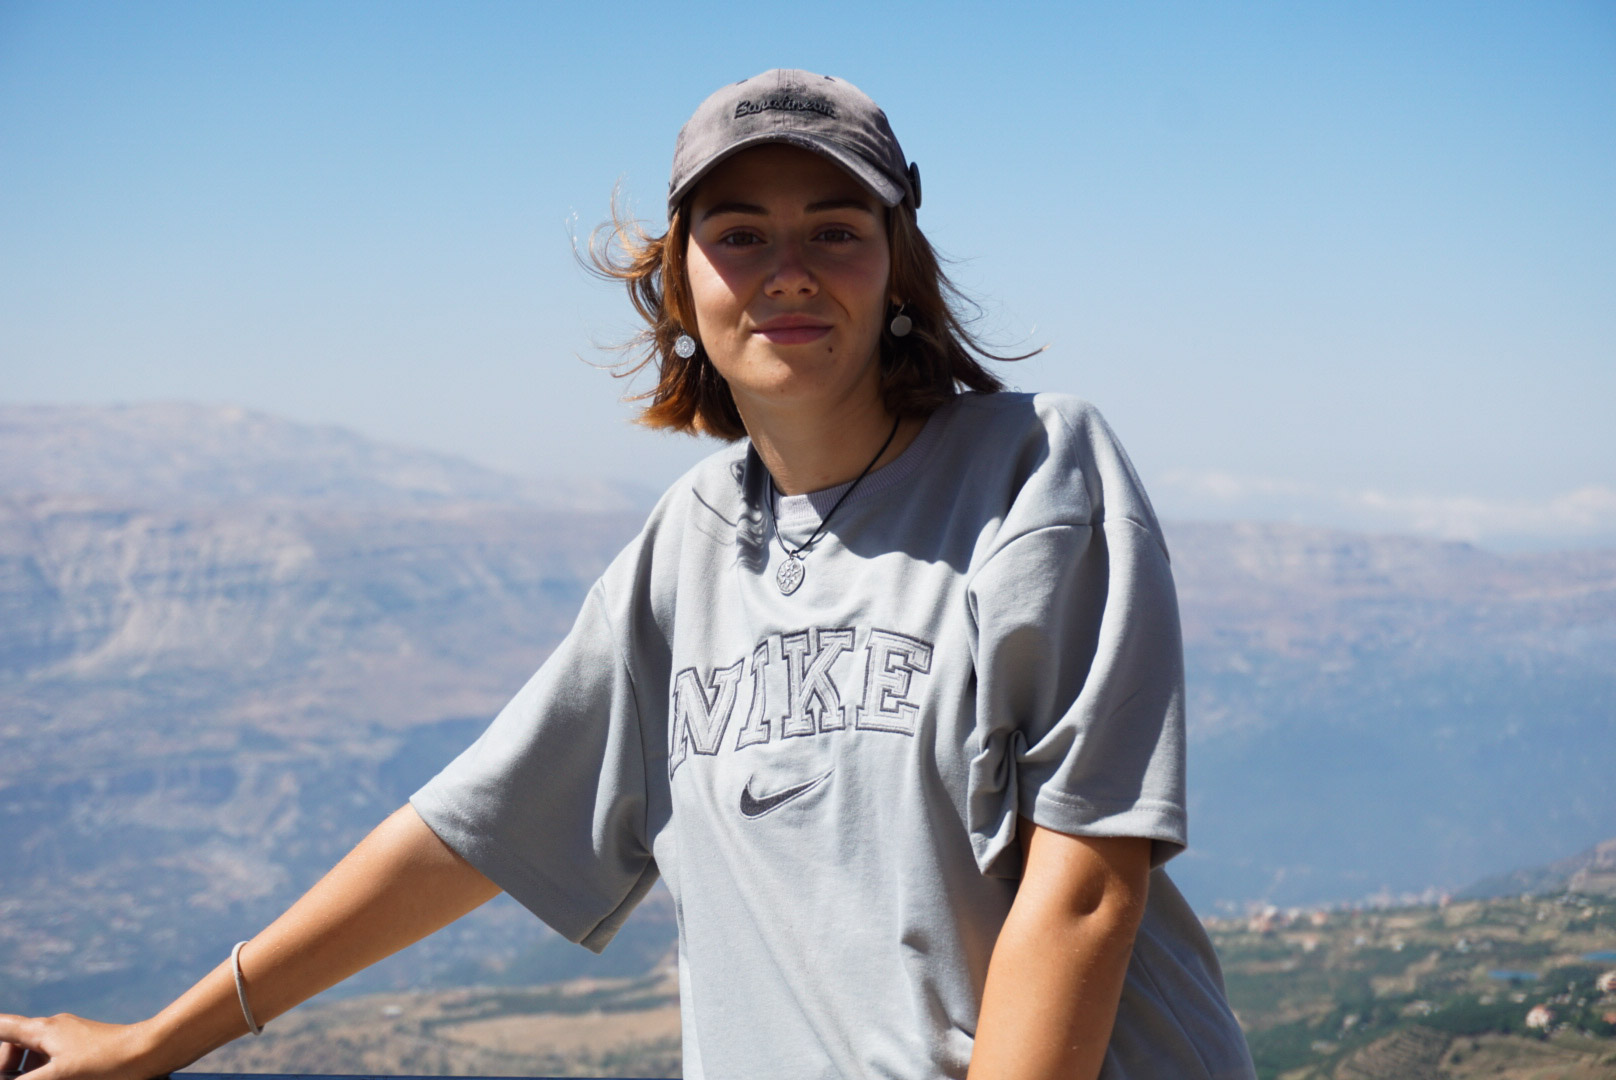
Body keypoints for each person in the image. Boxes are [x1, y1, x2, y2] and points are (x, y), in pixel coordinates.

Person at [0, 69, 1255, 1080]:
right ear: (680, 282)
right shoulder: (687, 546)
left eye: (834, 230)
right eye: (739, 234)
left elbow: (1085, 887)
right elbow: (465, 832)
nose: (787, 268)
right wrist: (156, 1043)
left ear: (895, 266)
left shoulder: (1036, 471)